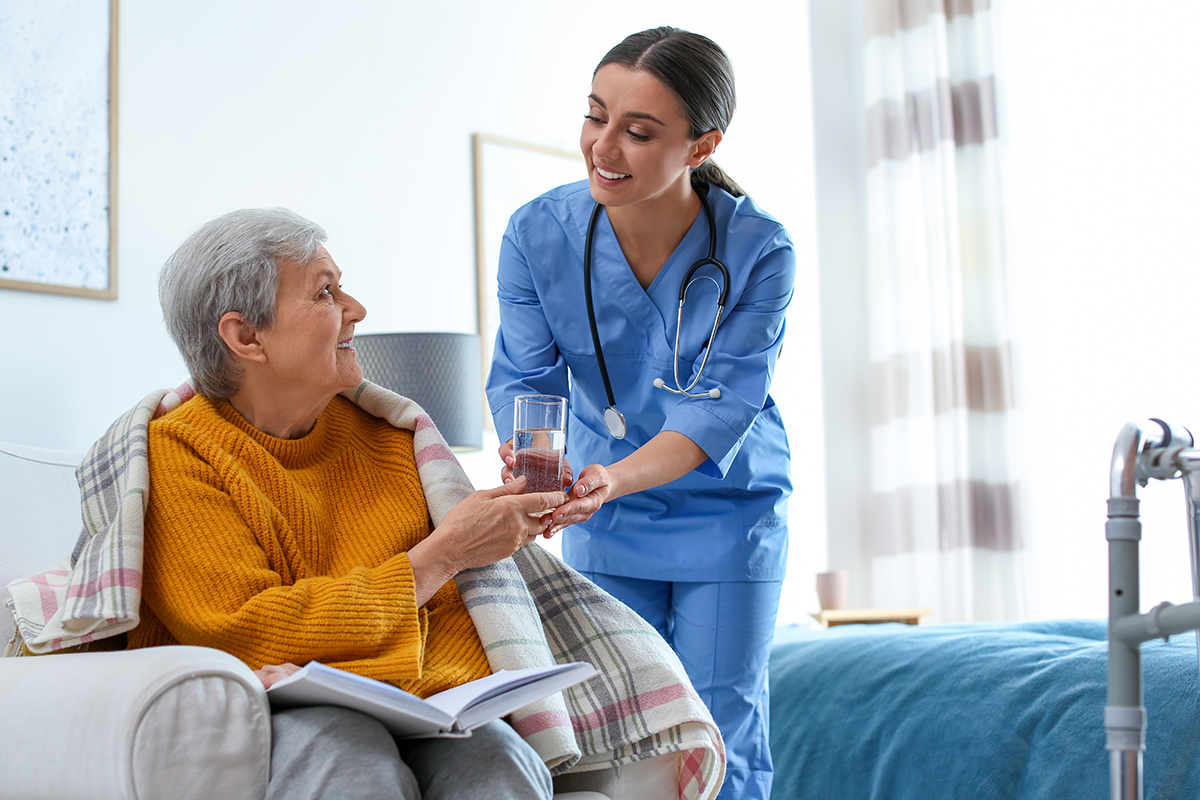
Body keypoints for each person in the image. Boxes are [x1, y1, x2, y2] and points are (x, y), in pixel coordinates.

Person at [133, 207, 564, 800]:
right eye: (326, 292)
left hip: (419, 699)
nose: (356, 310)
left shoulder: (390, 442)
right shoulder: (179, 455)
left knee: (496, 757)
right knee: (346, 751)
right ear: (245, 337)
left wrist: (492, 527)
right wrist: (441, 556)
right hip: (269, 708)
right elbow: (244, 633)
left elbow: (458, 619)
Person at [486, 27, 794, 800]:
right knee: (618, 730)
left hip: (726, 512)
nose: (603, 146)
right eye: (596, 117)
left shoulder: (759, 249)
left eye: (639, 130)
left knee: (719, 725)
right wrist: (537, 468)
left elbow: (720, 410)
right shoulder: (537, 234)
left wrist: (604, 481)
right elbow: (525, 379)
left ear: (701, 145)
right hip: (602, 512)